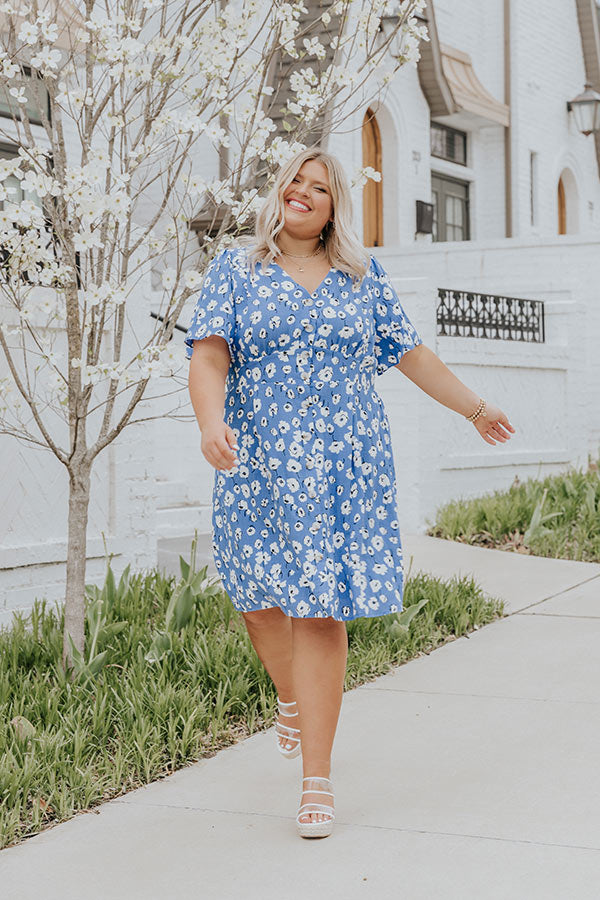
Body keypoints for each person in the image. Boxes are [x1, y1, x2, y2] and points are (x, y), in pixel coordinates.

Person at [185, 147, 515, 839]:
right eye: (294, 184)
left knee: (321, 608)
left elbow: (412, 353)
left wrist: (475, 407)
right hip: (259, 463)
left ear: (336, 206)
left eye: (320, 188)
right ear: (279, 193)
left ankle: (316, 778)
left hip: (344, 466)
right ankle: (289, 694)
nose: (303, 194)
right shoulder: (237, 271)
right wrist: (211, 422)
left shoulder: (362, 278)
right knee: (259, 600)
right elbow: (209, 353)